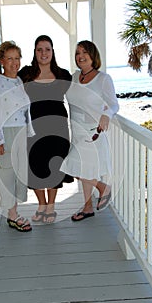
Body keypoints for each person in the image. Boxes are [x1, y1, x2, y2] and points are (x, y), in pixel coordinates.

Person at [60, 40, 119, 221]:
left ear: (93, 56)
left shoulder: (103, 79)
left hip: (92, 132)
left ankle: (102, 188)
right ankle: (88, 207)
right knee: (83, 169)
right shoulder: (74, 77)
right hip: (76, 132)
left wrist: (106, 115)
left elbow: (114, 104)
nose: (80, 56)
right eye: (78, 53)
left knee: (74, 167)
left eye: (84, 52)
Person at [18, 35, 74, 223]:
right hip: (33, 128)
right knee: (35, 167)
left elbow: (80, 96)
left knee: (54, 167)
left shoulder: (63, 75)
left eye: (47, 49)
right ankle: (41, 205)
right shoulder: (25, 74)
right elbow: (8, 81)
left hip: (58, 128)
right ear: (34, 52)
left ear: (52, 51)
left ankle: (51, 207)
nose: (44, 53)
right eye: (39, 49)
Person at [0, 41, 35, 232]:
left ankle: (14, 211)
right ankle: (12, 216)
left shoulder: (19, 81)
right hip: (6, 132)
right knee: (6, 173)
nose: (14, 63)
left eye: (17, 58)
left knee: (19, 174)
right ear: (1, 61)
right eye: (10, 59)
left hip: (21, 132)